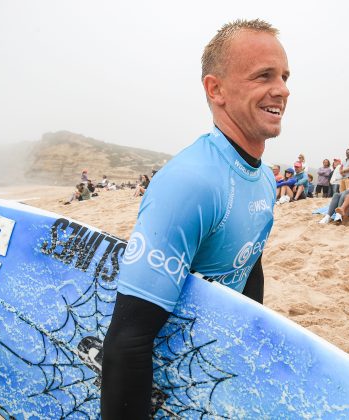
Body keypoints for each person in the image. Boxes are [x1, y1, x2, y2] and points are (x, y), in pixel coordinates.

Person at [101, 19, 290, 418]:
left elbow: (248, 260)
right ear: (215, 89)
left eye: (284, 77)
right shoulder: (190, 182)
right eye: (264, 76)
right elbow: (127, 343)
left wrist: (246, 343)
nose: (282, 89)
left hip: (214, 376)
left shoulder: (263, 180)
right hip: (164, 384)